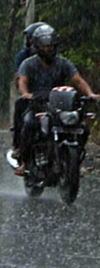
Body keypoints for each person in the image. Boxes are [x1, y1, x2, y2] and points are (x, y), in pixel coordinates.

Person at [15, 24, 100, 176]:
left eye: (51, 46)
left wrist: (91, 93)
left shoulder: (63, 63)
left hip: (59, 104)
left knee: (82, 128)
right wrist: (26, 94)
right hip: (37, 103)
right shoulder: (28, 63)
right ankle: (24, 162)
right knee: (29, 124)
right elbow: (22, 81)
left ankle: (74, 163)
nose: (48, 49)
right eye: (44, 46)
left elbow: (78, 80)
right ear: (37, 47)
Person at [11, 22, 47, 155]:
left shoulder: (54, 58)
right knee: (21, 107)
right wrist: (26, 91)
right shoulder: (24, 57)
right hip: (32, 95)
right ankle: (18, 144)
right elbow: (19, 78)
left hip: (50, 95)